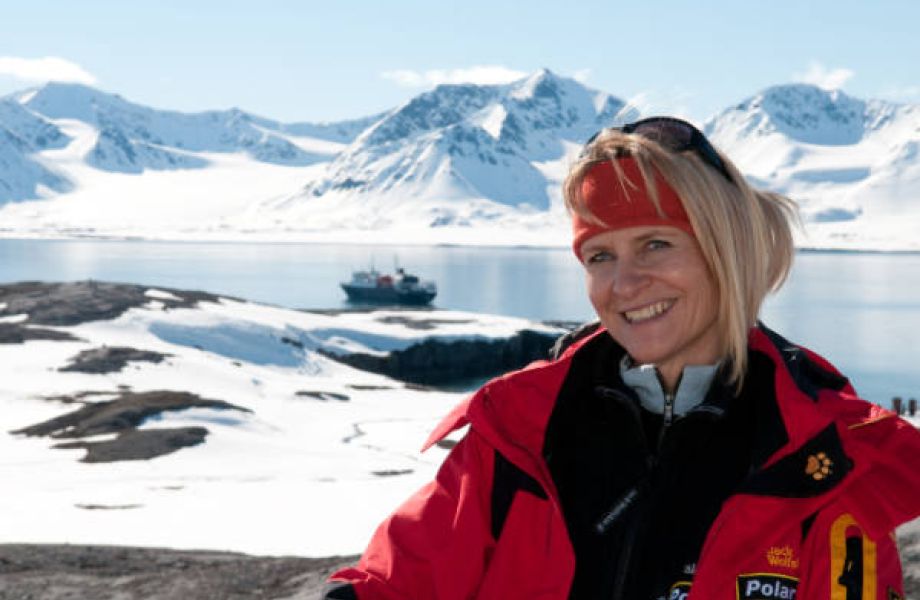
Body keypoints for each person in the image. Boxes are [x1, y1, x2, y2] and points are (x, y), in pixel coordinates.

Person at [323, 117, 920, 599]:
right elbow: (397, 584)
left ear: (725, 251)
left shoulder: (827, 462)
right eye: (599, 257)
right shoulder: (520, 433)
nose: (623, 284)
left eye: (655, 244)